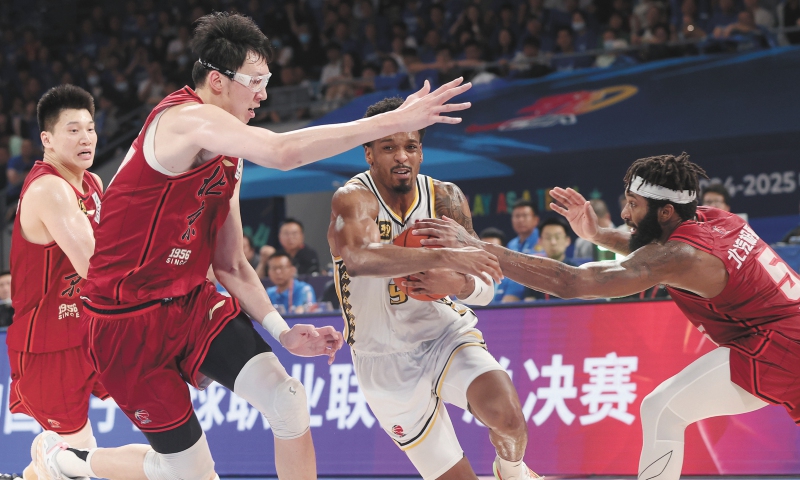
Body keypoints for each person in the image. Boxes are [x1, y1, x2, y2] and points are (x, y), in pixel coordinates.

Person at [35, 11, 474, 480]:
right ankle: (67, 462)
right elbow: (284, 153)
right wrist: (394, 120)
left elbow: (231, 263)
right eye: (256, 80)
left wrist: (282, 330)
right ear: (218, 81)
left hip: (188, 304)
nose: (263, 93)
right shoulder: (184, 120)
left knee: (287, 400)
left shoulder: (230, 154)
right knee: (185, 472)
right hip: (124, 323)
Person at [414, 153, 800, 480]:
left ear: (665, 210)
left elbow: (572, 282)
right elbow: (650, 243)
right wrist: (597, 234)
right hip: (781, 339)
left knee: (662, 408)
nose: (625, 212)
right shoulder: (711, 218)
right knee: (665, 408)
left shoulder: (682, 257)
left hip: (781, 347)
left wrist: (478, 247)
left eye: (633, 204)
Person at [327, 97, 537, 480]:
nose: (401, 157)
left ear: (421, 152)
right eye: (388, 147)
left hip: (444, 334)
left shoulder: (445, 197)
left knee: (507, 416)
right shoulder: (353, 199)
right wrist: (447, 259)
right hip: (382, 360)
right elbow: (359, 259)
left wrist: (459, 283)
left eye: (411, 146)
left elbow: (487, 279)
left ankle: (515, 472)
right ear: (369, 153)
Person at [9, 85, 150, 479]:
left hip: (88, 330)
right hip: (48, 344)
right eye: (73, 130)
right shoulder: (50, 189)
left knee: (68, 463)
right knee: (78, 461)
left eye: (90, 128)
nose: (86, 137)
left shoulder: (92, 184)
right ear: (47, 139)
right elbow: (96, 268)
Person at [496, 199, 540, 302]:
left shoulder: (543, 240)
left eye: (524, 216)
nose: (520, 220)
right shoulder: (511, 244)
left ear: (536, 220)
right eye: (516, 216)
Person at [523, 217, 576, 301]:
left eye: (557, 237)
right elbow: (529, 304)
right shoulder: (533, 274)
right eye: (548, 238)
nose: (553, 242)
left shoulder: (577, 272)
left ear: (567, 241)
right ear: (540, 242)